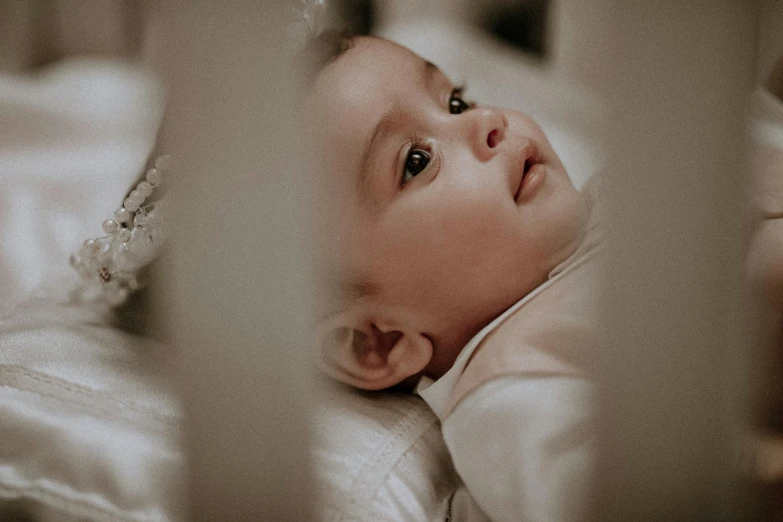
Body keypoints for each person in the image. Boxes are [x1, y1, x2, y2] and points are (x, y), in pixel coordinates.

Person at [305, 33, 783, 520]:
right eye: (417, 161)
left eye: (455, 100)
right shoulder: (511, 397)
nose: (486, 121)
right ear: (377, 343)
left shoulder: (623, 192)